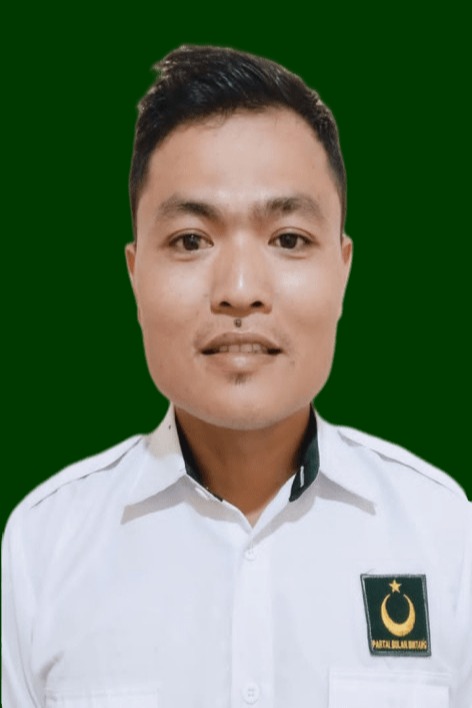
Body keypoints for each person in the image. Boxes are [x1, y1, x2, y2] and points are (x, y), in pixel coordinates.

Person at [2, 44, 471, 708]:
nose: (241, 289)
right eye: (191, 240)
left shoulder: (446, 536)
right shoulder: (42, 550)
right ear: (135, 274)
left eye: (288, 239)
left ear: (343, 270)